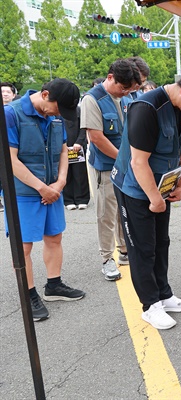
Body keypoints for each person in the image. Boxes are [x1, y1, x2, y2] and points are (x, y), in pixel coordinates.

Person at [111, 65, 181, 330]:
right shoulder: (146, 108)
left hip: (161, 186)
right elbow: (138, 163)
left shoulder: (177, 106)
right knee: (142, 248)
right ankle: (150, 305)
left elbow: (177, 147)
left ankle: (164, 293)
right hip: (135, 189)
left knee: (162, 242)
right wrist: (154, 198)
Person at [3, 78, 85, 321]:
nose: (59, 114)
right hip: (24, 192)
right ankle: (28, 295)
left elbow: (62, 150)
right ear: (45, 94)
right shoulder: (11, 114)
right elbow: (10, 160)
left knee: (54, 237)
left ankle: (54, 285)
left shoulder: (55, 116)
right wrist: (42, 187)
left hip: (52, 189)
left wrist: (60, 183)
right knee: (23, 246)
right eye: (59, 107)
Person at [80, 58, 142, 281]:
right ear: (110, 78)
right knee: (106, 213)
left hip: (126, 165)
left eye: (129, 89)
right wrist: (123, 159)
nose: (126, 92)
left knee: (123, 209)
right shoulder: (92, 99)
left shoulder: (125, 97)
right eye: (122, 87)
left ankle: (124, 250)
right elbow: (96, 138)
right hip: (106, 166)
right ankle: (107, 258)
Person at [63, 104, 90, 210]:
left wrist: (79, 142)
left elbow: (84, 128)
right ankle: (68, 199)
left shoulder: (78, 110)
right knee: (66, 173)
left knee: (80, 173)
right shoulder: (56, 110)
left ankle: (82, 199)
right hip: (63, 148)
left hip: (77, 147)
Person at [1, 82, 19, 213]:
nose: (5, 94)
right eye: (2, 91)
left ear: (14, 95)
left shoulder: (17, 112)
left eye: (8, 92)